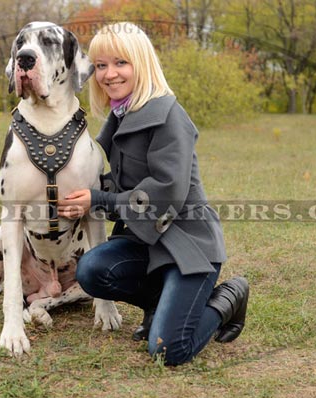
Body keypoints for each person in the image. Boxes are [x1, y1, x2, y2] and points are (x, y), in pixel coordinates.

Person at [58, 22, 249, 366]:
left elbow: (162, 195)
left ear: (141, 63)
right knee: (91, 271)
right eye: (101, 65)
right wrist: (78, 189)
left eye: (121, 63)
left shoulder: (168, 116)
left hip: (188, 248)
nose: (109, 74)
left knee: (168, 349)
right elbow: (121, 185)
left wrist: (97, 200)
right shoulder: (122, 114)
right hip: (148, 243)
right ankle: (159, 302)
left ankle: (227, 298)